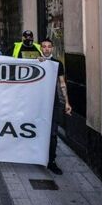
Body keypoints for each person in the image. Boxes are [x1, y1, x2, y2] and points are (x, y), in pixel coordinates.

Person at [39, 39, 72, 175]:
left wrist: (67, 102)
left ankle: (51, 161)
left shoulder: (58, 64)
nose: (46, 49)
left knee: (53, 133)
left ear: (52, 48)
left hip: (53, 103)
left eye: (49, 47)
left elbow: (62, 84)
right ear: (41, 48)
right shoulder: (36, 62)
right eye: (44, 47)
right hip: (38, 103)